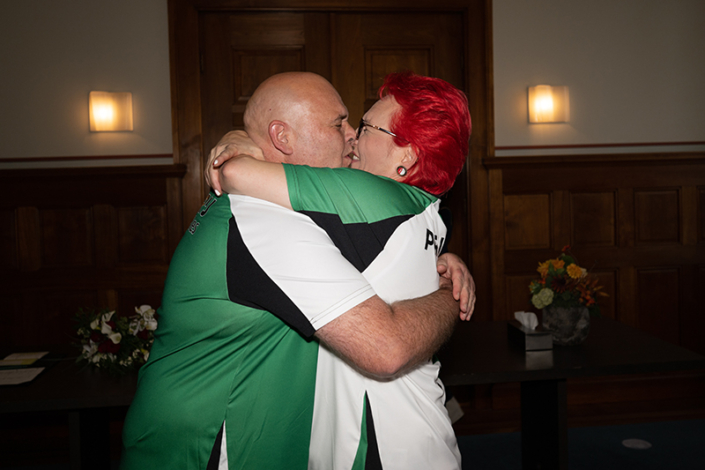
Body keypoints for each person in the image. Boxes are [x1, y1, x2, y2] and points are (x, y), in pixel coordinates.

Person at [120, 71, 473, 470]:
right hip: (203, 448)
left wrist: (441, 264)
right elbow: (385, 347)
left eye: (359, 126)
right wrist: (449, 293)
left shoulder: (333, 215)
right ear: (283, 137)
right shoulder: (267, 219)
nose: (352, 137)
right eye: (339, 124)